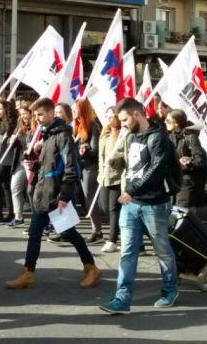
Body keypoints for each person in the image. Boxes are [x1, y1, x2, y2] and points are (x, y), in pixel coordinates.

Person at [5, 98, 100, 290]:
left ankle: (91, 267)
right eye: (35, 115)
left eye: (40, 114)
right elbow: (51, 164)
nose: (37, 119)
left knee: (68, 233)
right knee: (34, 233)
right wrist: (36, 163)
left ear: (50, 113)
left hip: (56, 196)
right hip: (43, 193)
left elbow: (71, 168)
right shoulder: (47, 134)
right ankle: (28, 272)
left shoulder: (63, 135)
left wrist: (64, 197)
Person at [99, 98, 179, 314]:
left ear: (137, 115)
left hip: (154, 204)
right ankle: (122, 298)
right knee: (127, 252)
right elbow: (134, 164)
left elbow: (156, 169)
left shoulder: (158, 138)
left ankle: (170, 290)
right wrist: (115, 160)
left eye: (124, 120)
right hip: (131, 205)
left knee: (162, 250)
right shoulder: (131, 136)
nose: (122, 124)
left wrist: (131, 191)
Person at [165, 109, 207, 224]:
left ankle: (191, 236)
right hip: (175, 178)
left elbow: (200, 160)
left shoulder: (191, 137)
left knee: (181, 210)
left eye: (168, 120)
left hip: (188, 179)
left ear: (176, 123)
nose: (165, 122)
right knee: (195, 198)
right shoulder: (170, 136)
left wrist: (189, 162)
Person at [73, 98, 102, 244]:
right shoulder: (76, 126)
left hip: (89, 167)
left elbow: (95, 150)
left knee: (90, 199)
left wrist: (85, 149)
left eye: (75, 109)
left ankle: (97, 230)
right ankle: (66, 230)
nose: (73, 111)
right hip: (77, 167)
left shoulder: (93, 126)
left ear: (82, 110)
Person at [0, 100, 20, 225]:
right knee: (5, 185)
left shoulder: (13, 124)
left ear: (6, 110)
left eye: (0, 109)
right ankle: (11, 212)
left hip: (7, 158)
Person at [98, 107, 125, 253]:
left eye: (111, 116)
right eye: (107, 116)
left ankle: (112, 240)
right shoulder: (105, 134)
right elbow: (100, 157)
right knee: (103, 206)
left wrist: (115, 159)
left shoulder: (124, 134)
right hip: (104, 177)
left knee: (113, 208)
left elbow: (125, 156)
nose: (109, 119)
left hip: (117, 177)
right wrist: (99, 173)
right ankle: (120, 232)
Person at [7, 104, 35, 228]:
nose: (23, 116)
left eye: (25, 113)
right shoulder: (20, 126)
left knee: (31, 191)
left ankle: (37, 218)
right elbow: (12, 142)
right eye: (21, 114)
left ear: (30, 113)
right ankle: (18, 216)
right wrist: (11, 140)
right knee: (15, 186)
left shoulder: (36, 126)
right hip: (20, 161)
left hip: (32, 162)